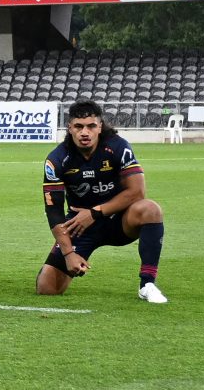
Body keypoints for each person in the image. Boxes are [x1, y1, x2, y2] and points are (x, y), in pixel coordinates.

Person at [36, 100, 168, 302]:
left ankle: (147, 284)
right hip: (79, 226)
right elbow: (53, 212)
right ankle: (72, 259)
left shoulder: (117, 146)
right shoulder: (56, 159)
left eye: (91, 126)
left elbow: (137, 192)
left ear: (100, 127)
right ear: (70, 128)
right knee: (47, 288)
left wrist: (95, 212)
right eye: (79, 126)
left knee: (150, 209)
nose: (84, 132)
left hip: (119, 220)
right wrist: (68, 252)